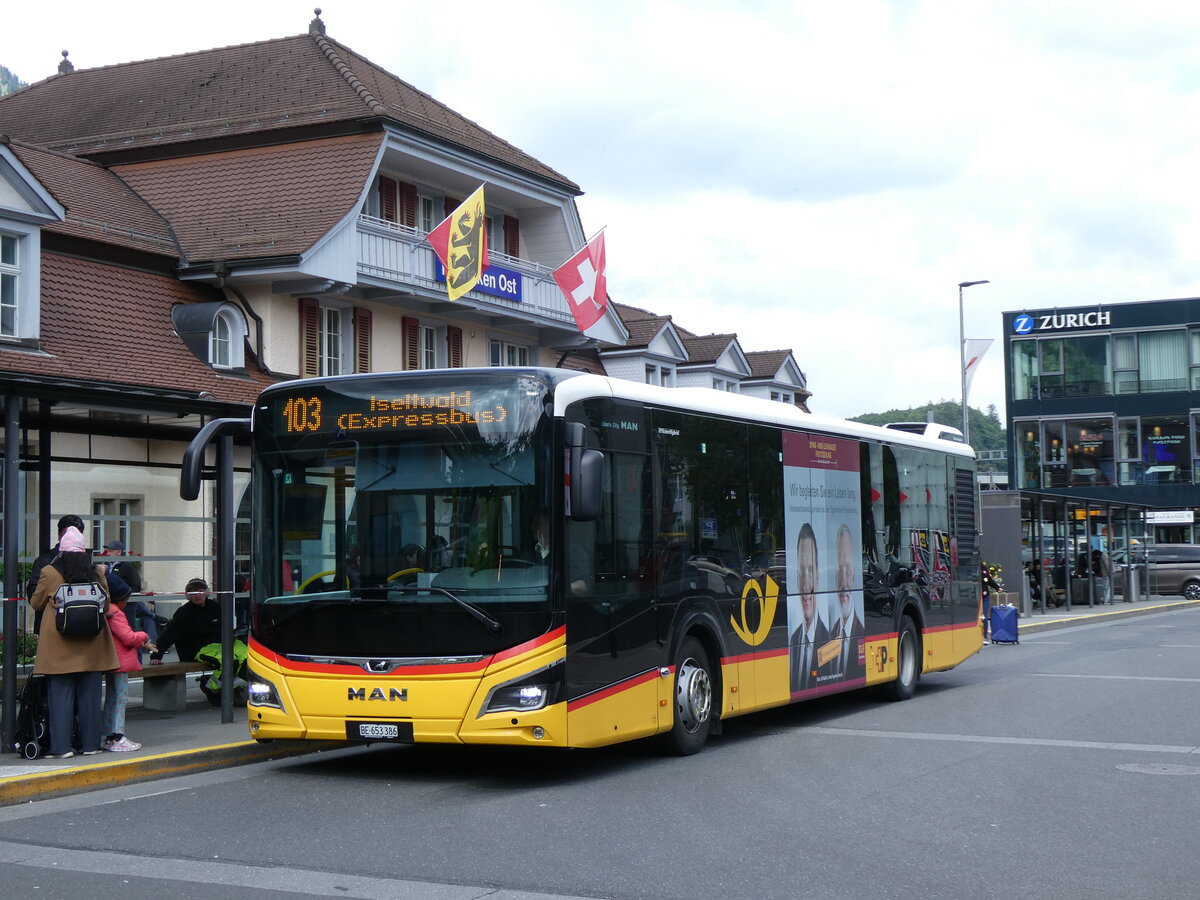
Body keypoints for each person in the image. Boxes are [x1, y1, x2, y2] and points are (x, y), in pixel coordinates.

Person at [28, 525, 118, 759]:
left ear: (62, 550)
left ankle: (61, 748)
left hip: (60, 645)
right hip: (92, 644)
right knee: (90, 700)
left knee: (60, 700)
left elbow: (36, 602)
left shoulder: (50, 571)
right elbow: (106, 606)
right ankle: (91, 745)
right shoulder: (97, 571)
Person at [101, 573, 155, 752]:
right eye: (126, 598)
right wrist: (144, 636)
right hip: (120, 663)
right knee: (120, 699)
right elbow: (128, 637)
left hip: (110, 661)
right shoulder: (116, 614)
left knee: (111, 698)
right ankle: (117, 735)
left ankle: (109, 735)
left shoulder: (106, 611)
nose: (127, 602)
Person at [99, 539, 164, 656]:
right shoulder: (107, 565)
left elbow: (136, 585)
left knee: (130, 629)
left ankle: (137, 659)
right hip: (111, 604)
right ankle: (153, 616)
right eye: (107, 551)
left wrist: (123, 596)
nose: (108, 553)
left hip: (126, 604)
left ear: (119, 552)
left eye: (111, 551)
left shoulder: (127, 566)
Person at [26, 514, 86, 634]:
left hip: (81, 625)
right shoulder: (45, 562)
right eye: (67, 533)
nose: (71, 536)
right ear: (59, 536)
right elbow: (33, 596)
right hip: (51, 626)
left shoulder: (88, 563)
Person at [790, 523, 829, 692]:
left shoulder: (830, 639)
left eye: (810, 571)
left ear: (818, 577)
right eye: (801, 572)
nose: (806, 585)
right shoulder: (793, 640)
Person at [149, 578, 220, 666]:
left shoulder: (215, 607)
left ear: (207, 592)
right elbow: (169, 635)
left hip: (215, 649)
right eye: (193, 593)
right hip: (194, 652)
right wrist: (156, 656)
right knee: (228, 660)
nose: (197, 595)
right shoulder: (183, 612)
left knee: (238, 654)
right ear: (188, 596)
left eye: (200, 591)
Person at [828, 524, 864, 680]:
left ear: (855, 572)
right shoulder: (830, 633)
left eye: (847, 569)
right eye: (839, 569)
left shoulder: (860, 630)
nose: (843, 582)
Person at [981, 562, 1002, 643]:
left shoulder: (983, 568)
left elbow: (989, 580)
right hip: (973, 596)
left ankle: (984, 637)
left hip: (984, 596)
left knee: (984, 617)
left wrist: (998, 588)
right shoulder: (970, 569)